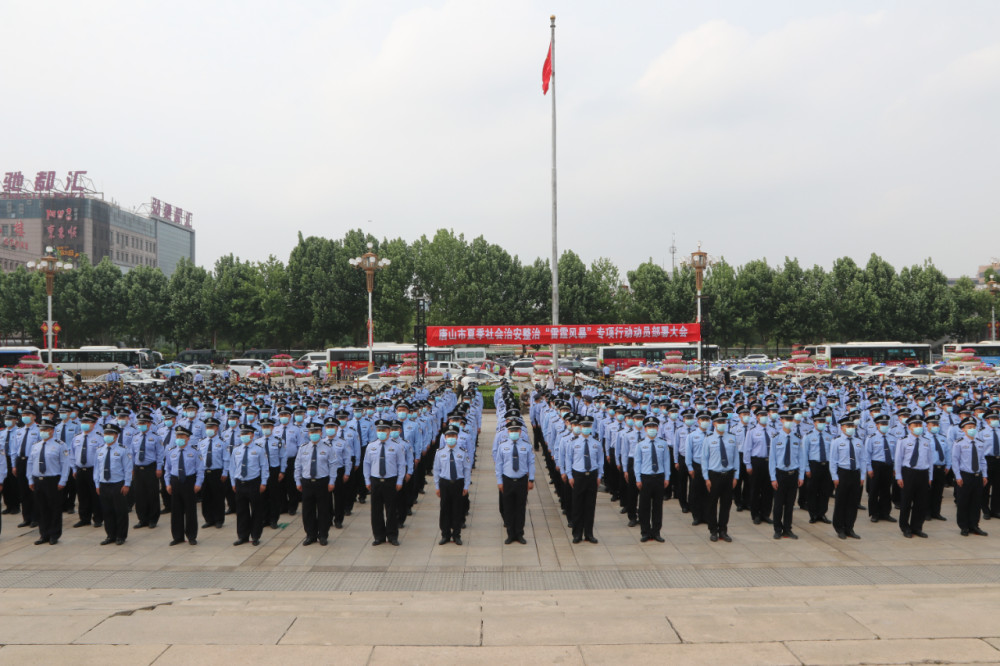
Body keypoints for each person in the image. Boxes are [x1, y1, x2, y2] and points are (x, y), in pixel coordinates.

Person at [27, 418, 71, 545]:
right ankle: (43, 534)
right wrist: (30, 479)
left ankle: (54, 534)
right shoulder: (36, 445)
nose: (43, 432)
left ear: (52, 431)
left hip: (53, 480)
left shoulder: (60, 445)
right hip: (38, 480)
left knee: (54, 508)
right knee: (41, 508)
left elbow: (65, 464)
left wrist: (63, 481)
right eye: (41, 429)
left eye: (45, 429)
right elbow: (30, 463)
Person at [294, 420, 338, 546]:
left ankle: (323, 535)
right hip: (307, 482)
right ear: (308, 433)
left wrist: (332, 481)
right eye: (311, 431)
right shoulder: (303, 448)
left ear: (321, 432)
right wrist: (298, 481)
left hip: (322, 482)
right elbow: (298, 466)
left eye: (316, 431)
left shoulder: (328, 448)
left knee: (324, 510)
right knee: (308, 510)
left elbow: (333, 466)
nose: (313, 433)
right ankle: (310, 535)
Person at [363, 419, 406, 546]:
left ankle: (392, 536)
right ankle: (379, 536)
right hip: (375, 480)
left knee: (391, 509)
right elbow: (366, 464)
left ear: (389, 431)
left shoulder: (396, 446)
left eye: (384, 430)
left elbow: (401, 464)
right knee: (376, 510)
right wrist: (367, 480)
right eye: (379, 430)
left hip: (390, 480)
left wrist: (399, 481)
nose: (381, 432)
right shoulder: (371, 446)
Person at [701, 412, 740, 543]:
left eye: (724, 422)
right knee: (712, 504)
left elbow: (736, 459)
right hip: (714, 475)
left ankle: (723, 530)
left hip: (728, 475)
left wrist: (736, 476)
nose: (722, 424)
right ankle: (713, 530)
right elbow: (704, 460)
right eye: (719, 422)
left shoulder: (732, 438)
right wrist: (706, 478)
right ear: (714, 424)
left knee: (726, 504)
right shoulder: (708, 439)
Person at [163, 425, 204, 546]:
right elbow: (167, 469)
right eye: (177, 436)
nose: (179, 438)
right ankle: (177, 536)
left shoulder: (195, 451)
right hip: (175, 482)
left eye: (182, 436)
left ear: (187, 438)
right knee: (176, 511)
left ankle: (191, 536)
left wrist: (198, 483)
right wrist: (167, 484)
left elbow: (200, 469)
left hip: (189, 481)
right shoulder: (171, 452)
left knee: (190, 510)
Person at [769, 411, 807, 540]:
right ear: (781, 420)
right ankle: (777, 529)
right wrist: (773, 478)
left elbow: (801, 458)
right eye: (787, 419)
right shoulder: (775, 437)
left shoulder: (797, 437)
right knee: (778, 504)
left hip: (793, 474)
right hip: (780, 474)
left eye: (791, 419)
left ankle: (788, 529)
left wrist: (801, 476)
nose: (789, 421)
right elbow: (772, 460)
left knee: (790, 504)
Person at [830, 411, 867, 540]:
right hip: (843, 473)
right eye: (848, 426)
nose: (850, 428)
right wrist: (834, 476)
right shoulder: (836, 441)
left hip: (855, 474)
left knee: (853, 503)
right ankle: (839, 527)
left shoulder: (858, 441)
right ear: (842, 427)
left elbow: (863, 460)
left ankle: (849, 527)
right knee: (841, 502)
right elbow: (833, 460)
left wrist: (862, 476)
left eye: (852, 426)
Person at [493, 422, 531, 545]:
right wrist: (499, 481)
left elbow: (531, 463)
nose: (514, 432)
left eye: (516, 430)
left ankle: (519, 533)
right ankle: (510, 534)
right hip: (507, 480)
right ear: (508, 432)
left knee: (520, 508)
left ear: (520, 432)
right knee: (508, 508)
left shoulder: (526, 446)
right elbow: (499, 465)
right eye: (511, 430)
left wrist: (531, 479)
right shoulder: (502, 446)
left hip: (521, 480)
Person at [894, 415, 932, 539]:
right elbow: (898, 459)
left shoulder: (926, 441)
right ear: (909, 427)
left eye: (920, 425)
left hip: (923, 473)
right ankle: (905, 527)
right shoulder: (903, 440)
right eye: (915, 425)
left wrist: (930, 477)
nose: (918, 427)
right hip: (909, 473)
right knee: (906, 501)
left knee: (920, 503)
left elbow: (930, 460)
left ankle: (917, 527)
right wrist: (899, 476)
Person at [93, 424, 132, 545]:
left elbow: (128, 468)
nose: (107, 436)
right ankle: (110, 535)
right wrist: (97, 484)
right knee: (107, 511)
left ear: (116, 435)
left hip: (118, 484)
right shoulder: (99, 449)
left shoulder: (123, 449)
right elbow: (96, 469)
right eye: (106, 434)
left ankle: (121, 535)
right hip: (104, 484)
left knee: (120, 511)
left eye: (110, 434)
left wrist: (127, 484)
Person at [567, 415, 603, 544]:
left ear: (591, 427)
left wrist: (599, 476)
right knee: (577, 505)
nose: (586, 428)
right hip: (578, 475)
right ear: (580, 427)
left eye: (588, 426)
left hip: (592, 475)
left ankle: (589, 534)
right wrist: (570, 476)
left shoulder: (596, 443)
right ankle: (577, 534)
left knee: (590, 506)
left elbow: (600, 461)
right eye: (584, 426)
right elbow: (568, 460)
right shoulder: (574, 442)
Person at [633, 416, 669, 543]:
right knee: (644, 506)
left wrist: (667, 477)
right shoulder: (640, 445)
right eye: (649, 427)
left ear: (658, 428)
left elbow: (666, 461)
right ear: (645, 428)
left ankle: (656, 532)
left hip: (659, 477)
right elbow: (637, 463)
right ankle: (645, 532)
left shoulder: (663, 444)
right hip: (645, 477)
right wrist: (638, 479)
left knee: (658, 507)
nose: (652, 429)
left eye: (654, 427)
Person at [230, 424, 266, 546]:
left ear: (252, 435)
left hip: (254, 482)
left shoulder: (259, 449)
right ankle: (242, 536)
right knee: (241, 511)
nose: (244, 436)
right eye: (242, 434)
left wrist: (264, 482)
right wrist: (233, 482)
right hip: (240, 483)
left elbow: (264, 467)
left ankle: (255, 535)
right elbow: (232, 467)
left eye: (246, 434)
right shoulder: (236, 450)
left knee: (256, 510)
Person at [436, 425, 472, 545]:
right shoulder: (439, 453)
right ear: (445, 437)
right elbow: (436, 470)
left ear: (457, 437)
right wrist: (437, 486)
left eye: (453, 436)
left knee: (457, 509)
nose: (451, 438)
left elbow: (467, 470)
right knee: (444, 509)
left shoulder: (463, 452)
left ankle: (456, 535)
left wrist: (466, 486)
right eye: (448, 436)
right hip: (445, 483)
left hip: (458, 483)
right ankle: (445, 535)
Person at [953, 416, 988, 537]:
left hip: (977, 476)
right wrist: (958, 476)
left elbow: (982, 460)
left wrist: (985, 475)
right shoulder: (959, 443)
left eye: (973, 427)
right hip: (965, 475)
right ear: (963, 429)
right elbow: (955, 461)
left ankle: (974, 525)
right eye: (969, 427)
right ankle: (963, 526)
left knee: (976, 502)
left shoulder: (980, 443)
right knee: (963, 502)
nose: (972, 429)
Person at [71, 411, 104, 529]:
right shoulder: (77, 438)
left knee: (95, 495)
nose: (84, 424)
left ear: (94, 423)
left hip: (93, 470)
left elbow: (102, 455)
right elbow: (72, 455)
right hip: (80, 470)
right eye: (83, 422)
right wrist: (74, 469)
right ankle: (84, 518)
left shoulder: (100, 438)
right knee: (82, 495)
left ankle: (98, 518)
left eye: (87, 422)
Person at [198, 417, 229, 529]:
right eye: (207, 427)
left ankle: (219, 519)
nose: (209, 429)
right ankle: (209, 519)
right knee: (205, 497)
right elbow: (199, 459)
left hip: (217, 472)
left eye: (211, 427)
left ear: (216, 428)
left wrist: (225, 472)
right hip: (204, 472)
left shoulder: (222, 443)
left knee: (218, 497)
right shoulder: (201, 442)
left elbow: (226, 459)